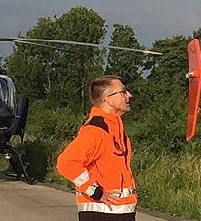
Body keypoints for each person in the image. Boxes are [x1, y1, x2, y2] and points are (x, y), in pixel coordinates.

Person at [57, 76, 140, 221]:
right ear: (108, 99)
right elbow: (66, 162)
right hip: (103, 213)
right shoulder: (96, 129)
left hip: (120, 212)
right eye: (123, 91)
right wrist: (95, 192)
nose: (129, 95)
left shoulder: (114, 127)